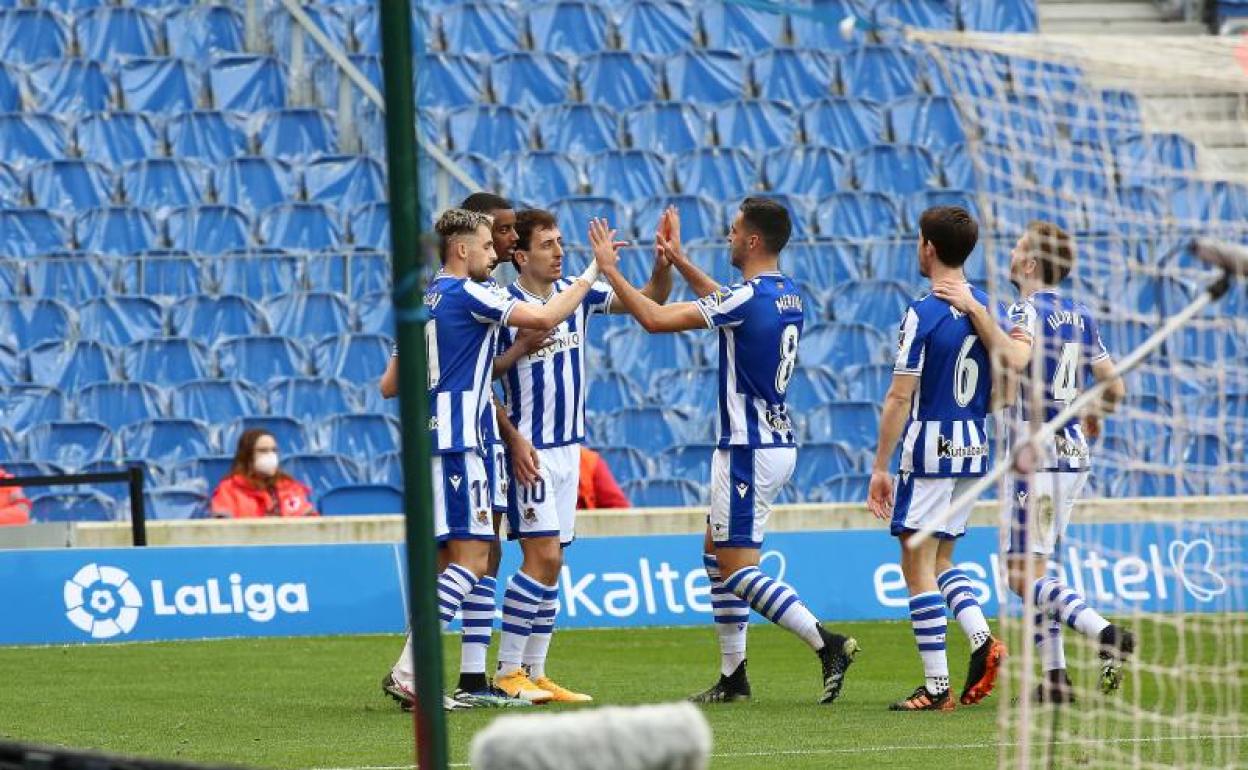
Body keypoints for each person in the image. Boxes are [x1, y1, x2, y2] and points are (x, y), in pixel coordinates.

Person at [590, 199, 859, 706]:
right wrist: (679, 259)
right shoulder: (785, 293)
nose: (729, 237)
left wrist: (609, 270)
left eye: (735, 231)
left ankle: (828, 643)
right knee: (715, 557)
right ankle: (733, 676)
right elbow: (727, 303)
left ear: (753, 240)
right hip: (772, 441)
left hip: (747, 447)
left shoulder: (747, 298)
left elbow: (653, 318)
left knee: (736, 568)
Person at [382, 207, 604, 712]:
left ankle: (427, 675)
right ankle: (409, 670)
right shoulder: (466, 292)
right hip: (464, 440)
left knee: (458, 562)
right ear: (462, 250)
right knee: (473, 560)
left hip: (441, 436)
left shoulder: (427, 298)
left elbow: (390, 384)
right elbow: (547, 316)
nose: (493, 255)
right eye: (487, 247)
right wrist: (596, 269)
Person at [931, 220, 1133, 703]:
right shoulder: (1081, 314)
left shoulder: (1024, 309)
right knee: (1038, 570)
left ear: (1032, 262)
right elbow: (1115, 386)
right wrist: (1094, 413)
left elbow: (1015, 359)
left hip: (1034, 458)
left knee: (1022, 576)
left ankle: (1105, 634)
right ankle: (1056, 678)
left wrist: (977, 310)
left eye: (1019, 247)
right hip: (1072, 458)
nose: (1012, 252)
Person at [490, 207, 672, 704]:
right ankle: (506, 673)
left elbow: (651, 302)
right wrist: (512, 437)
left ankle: (536, 669)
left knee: (556, 563)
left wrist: (661, 266)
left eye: (561, 242)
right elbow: (482, 384)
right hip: (531, 448)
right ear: (520, 255)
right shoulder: (502, 305)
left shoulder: (579, 293)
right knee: (540, 556)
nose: (559, 251)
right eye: (548, 244)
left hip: (571, 448)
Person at [864, 206, 1008, 712]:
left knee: (915, 563)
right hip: (974, 448)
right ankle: (982, 640)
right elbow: (1007, 385)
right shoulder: (986, 307)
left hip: (929, 449)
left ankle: (937, 686)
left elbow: (899, 397)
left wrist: (881, 466)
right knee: (943, 558)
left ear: (927, 246)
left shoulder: (922, 312)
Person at [209, 430, 316, 518]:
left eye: (274, 450)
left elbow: (312, 525)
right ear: (248, 456)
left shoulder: (290, 487)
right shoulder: (229, 489)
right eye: (263, 451)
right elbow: (222, 530)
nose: (270, 455)